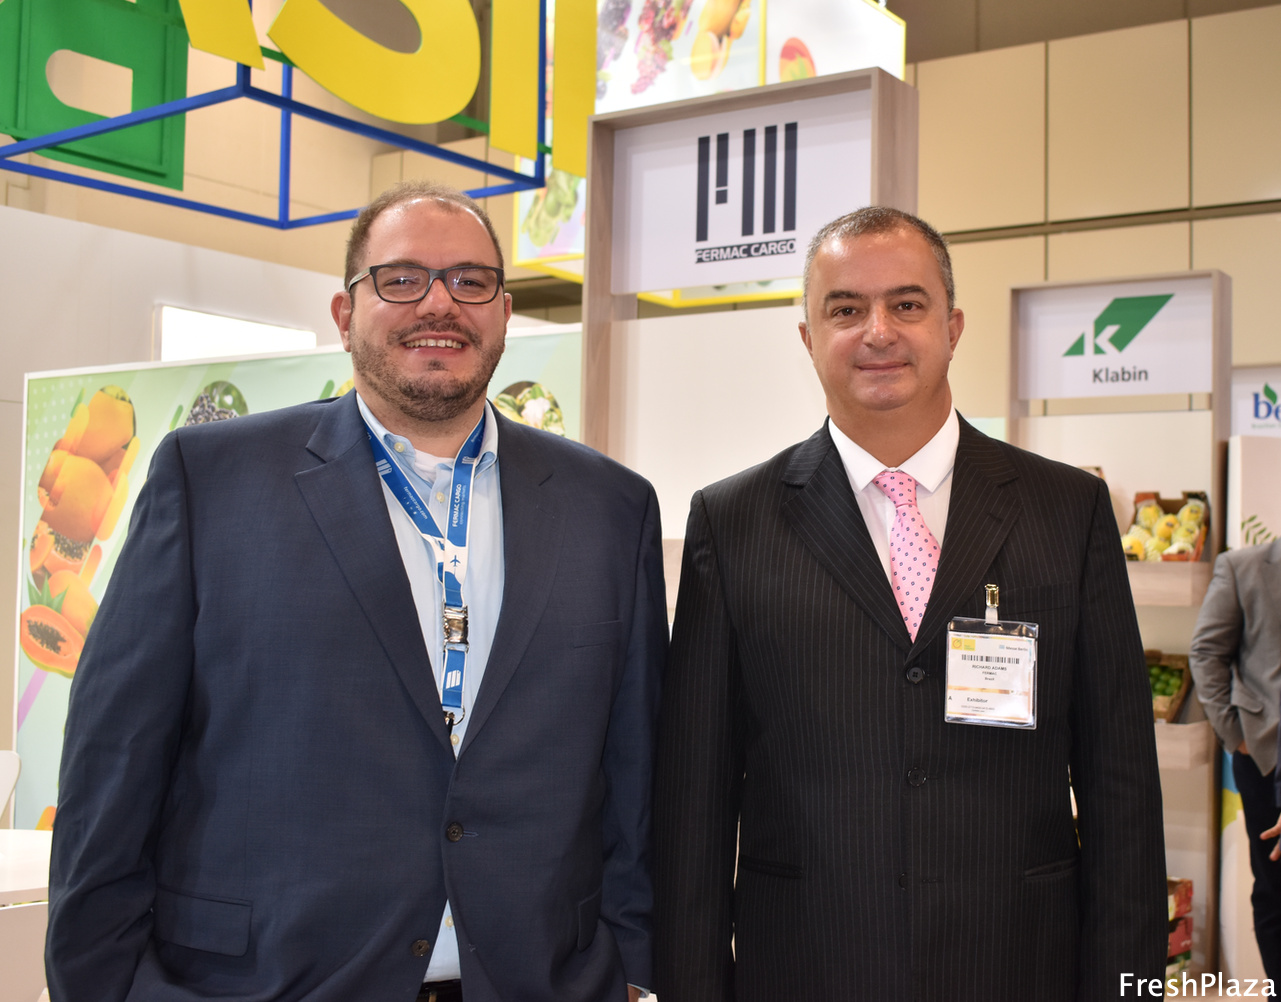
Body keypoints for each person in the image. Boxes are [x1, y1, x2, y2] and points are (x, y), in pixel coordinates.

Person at [46, 181, 666, 1002]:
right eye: (401, 279)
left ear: (504, 312)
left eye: (470, 281)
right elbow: (115, 759)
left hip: (539, 980)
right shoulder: (211, 481)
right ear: (345, 315)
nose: (439, 303)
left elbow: (634, 773)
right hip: (268, 982)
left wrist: (633, 968)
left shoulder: (609, 506)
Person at [653, 206, 1167, 1001]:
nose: (878, 331)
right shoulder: (733, 521)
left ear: (951, 327)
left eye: (906, 303)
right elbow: (695, 795)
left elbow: (1119, 781)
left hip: (1019, 962)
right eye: (845, 309)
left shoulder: (1066, 510)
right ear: (807, 338)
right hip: (806, 966)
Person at [1191, 539, 1281, 980]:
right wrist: (1236, 736)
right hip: (1265, 756)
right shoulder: (1243, 567)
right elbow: (1206, 653)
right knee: (1274, 887)